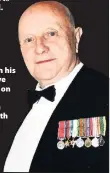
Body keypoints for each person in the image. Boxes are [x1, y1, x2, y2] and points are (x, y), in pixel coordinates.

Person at [3, 1, 109, 172]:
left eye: (51, 33)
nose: (40, 48)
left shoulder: (105, 95)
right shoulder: (13, 109)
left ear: (76, 37)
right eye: (29, 39)